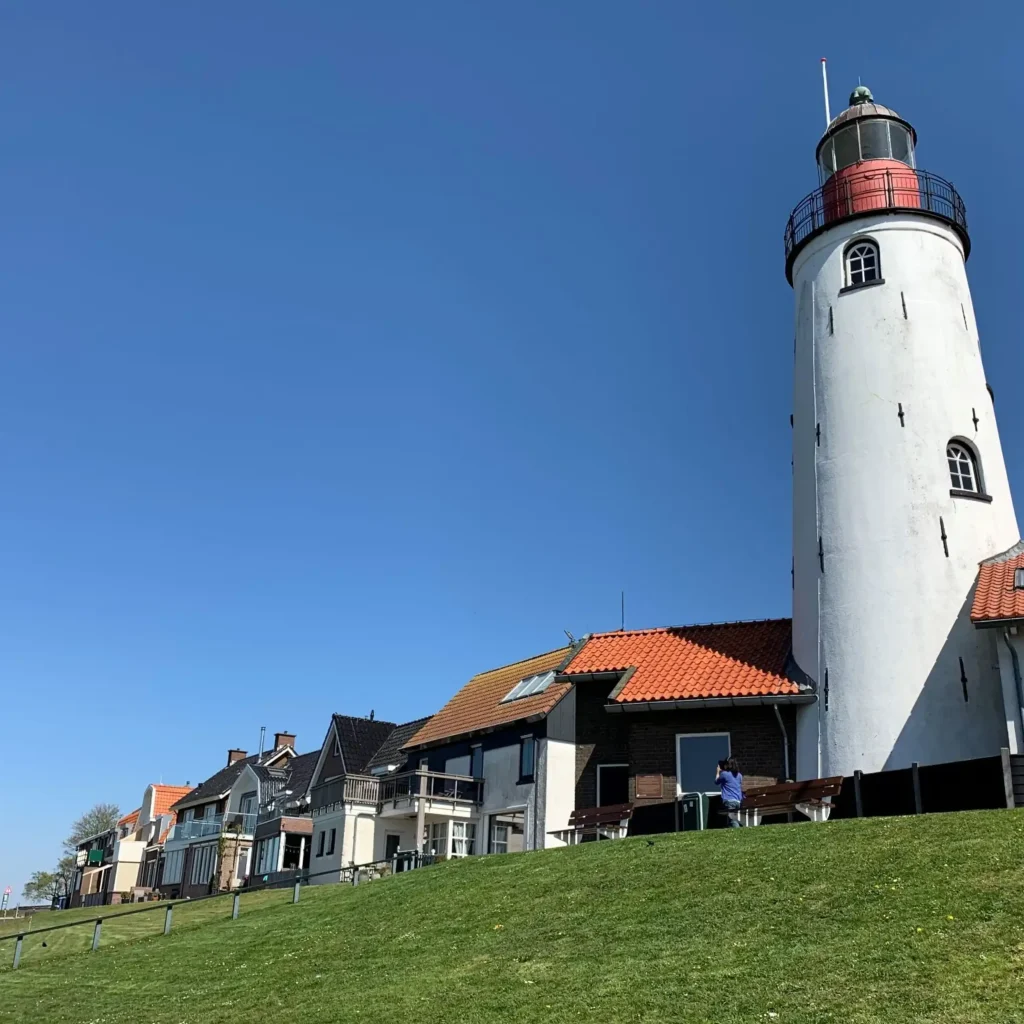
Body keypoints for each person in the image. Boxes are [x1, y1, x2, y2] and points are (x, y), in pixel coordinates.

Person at [715, 757, 744, 828]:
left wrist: (718, 772)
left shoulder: (724, 774)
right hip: (738, 801)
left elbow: (716, 782)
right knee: (733, 819)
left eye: (725, 764)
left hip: (729, 800)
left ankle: (737, 832)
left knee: (733, 820)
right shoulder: (739, 775)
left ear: (728, 765)